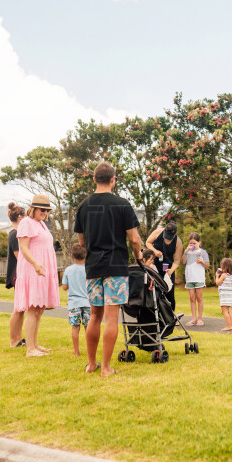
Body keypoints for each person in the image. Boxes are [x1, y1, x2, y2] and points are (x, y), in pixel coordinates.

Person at [74, 162, 143, 378]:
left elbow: (82, 242)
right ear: (113, 180)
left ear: (94, 179)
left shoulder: (83, 206)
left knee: (95, 315)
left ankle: (91, 364)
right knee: (111, 317)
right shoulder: (122, 204)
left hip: (94, 266)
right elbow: (134, 239)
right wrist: (138, 255)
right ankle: (105, 368)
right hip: (116, 266)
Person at [14, 195, 60, 357]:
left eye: (47, 210)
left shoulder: (40, 223)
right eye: (42, 209)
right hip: (32, 270)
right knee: (33, 308)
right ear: (33, 208)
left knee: (40, 308)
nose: (45, 213)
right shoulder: (26, 222)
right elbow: (24, 248)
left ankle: (35, 344)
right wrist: (35, 264)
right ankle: (30, 349)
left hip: (43, 270)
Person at [145, 221, 182, 311]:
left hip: (168, 269)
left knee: (169, 293)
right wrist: (155, 251)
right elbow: (148, 242)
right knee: (154, 291)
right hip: (155, 267)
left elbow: (177, 261)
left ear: (174, 234)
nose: (167, 238)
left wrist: (171, 271)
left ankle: (170, 315)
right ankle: (155, 314)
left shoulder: (178, 242)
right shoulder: (158, 232)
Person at [61, 244, 90, 357]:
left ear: (72, 255)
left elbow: (64, 287)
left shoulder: (68, 270)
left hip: (74, 303)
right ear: (85, 255)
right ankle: (90, 350)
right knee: (88, 327)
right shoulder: (88, 269)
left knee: (75, 327)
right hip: (87, 302)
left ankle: (76, 352)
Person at [5, 202, 26, 347]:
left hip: (20, 274)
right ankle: (14, 340)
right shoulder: (14, 235)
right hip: (17, 275)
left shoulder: (17, 234)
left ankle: (19, 338)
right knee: (18, 308)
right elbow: (20, 257)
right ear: (19, 217)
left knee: (21, 308)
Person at [181, 232, 210, 326]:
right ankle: (193, 318)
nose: (192, 245)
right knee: (192, 298)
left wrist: (202, 262)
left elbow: (207, 265)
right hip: (189, 278)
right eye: (190, 243)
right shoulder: (187, 252)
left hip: (199, 278)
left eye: (194, 243)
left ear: (199, 242)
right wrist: (186, 252)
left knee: (199, 298)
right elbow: (183, 262)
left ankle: (200, 318)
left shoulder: (203, 252)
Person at [215, 257, 232, 331]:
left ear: (224, 267)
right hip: (231, 295)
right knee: (229, 311)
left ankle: (228, 326)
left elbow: (218, 283)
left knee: (224, 311)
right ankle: (231, 325)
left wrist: (217, 276)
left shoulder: (224, 275)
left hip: (225, 295)